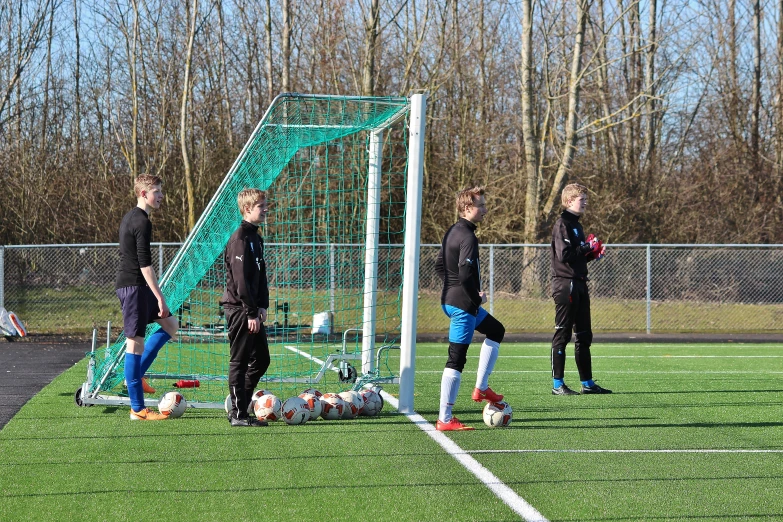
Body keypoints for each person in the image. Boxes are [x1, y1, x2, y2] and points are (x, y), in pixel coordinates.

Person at [434, 186, 506, 431]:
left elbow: (438, 266)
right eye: (481, 206)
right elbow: (465, 273)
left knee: (496, 330)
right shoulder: (468, 236)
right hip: (463, 305)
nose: (485, 210)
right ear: (467, 208)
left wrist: (453, 289)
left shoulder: (452, 231)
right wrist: (476, 298)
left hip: (453, 301)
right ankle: (445, 418)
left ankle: (482, 387)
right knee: (456, 360)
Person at [115, 175, 179, 421]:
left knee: (171, 326)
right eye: (157, 191)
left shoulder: (135, 217)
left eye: (161, 190)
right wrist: (160, 297)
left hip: (139, 288)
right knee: (135, 343)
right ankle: (137, 409)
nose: (161, 195)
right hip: (134, 288)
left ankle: (136, 376)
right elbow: (144, 264)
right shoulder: (141, 221)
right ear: (143, 194)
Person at [550, 183, 611, 395]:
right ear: (569, 201)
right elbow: (564, 255)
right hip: (566, 284)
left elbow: (576, 256)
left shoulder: (577, 225)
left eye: (585, 198)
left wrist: (592, 255)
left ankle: (587, 383)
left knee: (584, 335)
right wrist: (587, 246)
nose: (585, 202)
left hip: (580, 282)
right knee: (563, 334)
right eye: (581, 199)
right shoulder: (562, 224)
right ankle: (558, 385)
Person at [220, 188, 272, 427]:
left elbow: (260, 277)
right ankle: (239, 415)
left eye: (265, 205)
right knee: (239, 361)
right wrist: (251, 311)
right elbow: (241, 281)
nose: (266, 209)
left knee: (262, 359)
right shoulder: (240, 238)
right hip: (240, 310)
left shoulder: (255, 237)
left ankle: (239, 403)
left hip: (252, 309)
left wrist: (262, 305)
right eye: (261, 206)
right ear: (248, 208)